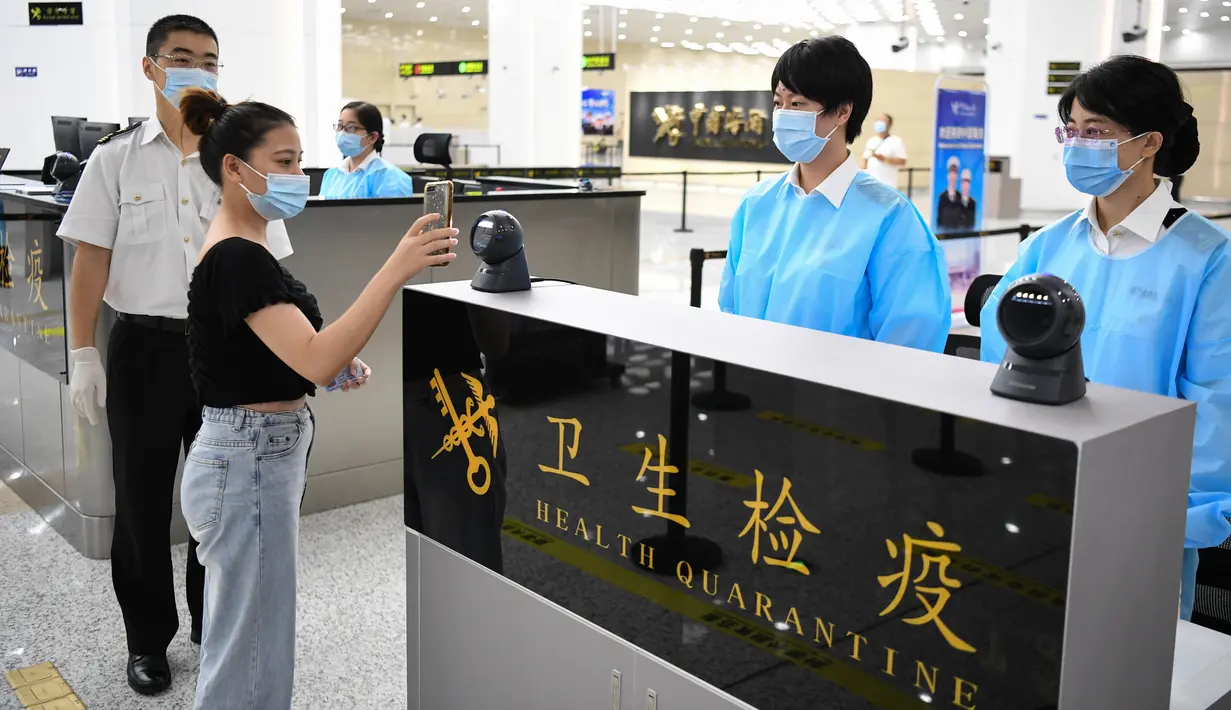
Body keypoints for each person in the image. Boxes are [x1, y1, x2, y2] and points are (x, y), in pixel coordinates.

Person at [178, 88, 457, 709]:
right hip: (246, 458)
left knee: (256, 637)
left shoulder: (249, 246)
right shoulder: (237, 256)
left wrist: (323, 366)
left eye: (300, 160)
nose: (298, 176)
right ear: (233, 167)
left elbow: (283, 349)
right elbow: (315, 354)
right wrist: (396, 267)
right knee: (248, 648)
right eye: (282, 162)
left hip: (254, 452)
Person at [58, 14, 291, 695]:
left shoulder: (239, 160)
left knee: (219, 500)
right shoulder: (116, 159)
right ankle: (146, 642)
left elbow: (270, 266)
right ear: (151, 68)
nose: (199, 70)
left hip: (228, 350)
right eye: (183, 57)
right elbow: (89, 264)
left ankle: (211, 621)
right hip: (143, 350)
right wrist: (84, 354)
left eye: (211, 60)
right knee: (141, 501)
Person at [980, 55, 1231, 622]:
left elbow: (1217, 406)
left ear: (1148, 144)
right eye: (1070, 129)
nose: (1077, 144)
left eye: (1096, 132)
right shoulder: (1047, 246)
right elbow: (999, 367)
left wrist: (1179, 522)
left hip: (1143, 512)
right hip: (1039, 492)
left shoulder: (1206, 259)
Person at [718, 36, 950, 353]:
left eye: (797, 104)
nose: (783, 114)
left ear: (842, 111)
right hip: (752, 389)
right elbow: (730, 308)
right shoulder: (757, 204)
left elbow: (910, 339)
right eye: (778, 103)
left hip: (840, 397)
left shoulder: (888, 218)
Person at [319, 101, 415, 199]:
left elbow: (392, 213)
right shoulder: (331, 175)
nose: (342, 133)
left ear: (372, 137)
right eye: (340, 126)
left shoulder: (390, 178)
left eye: (351, 128)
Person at [859, 113, 908, 187]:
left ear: (889, 125)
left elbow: (902, 161)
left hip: (887, 185)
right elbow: (864, 159)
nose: (880, 123)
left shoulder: (896, 141)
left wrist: (884, 159)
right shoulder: (872, 141)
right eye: (879, 120)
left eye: (883, 121)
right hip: (871, 185)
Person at [936, 156, 965, 230]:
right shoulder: (942, 197)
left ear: (957, 176)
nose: (952, 176)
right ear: (948, 176)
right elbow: (939, 220)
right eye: (951, 174)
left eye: (954, 174)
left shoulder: (960, 196)